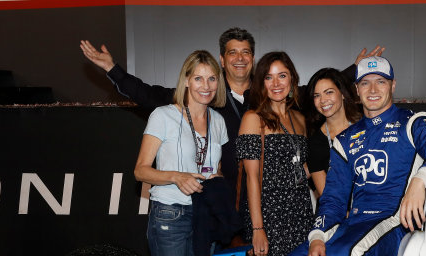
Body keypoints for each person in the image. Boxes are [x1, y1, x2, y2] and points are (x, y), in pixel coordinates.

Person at [261, 56, 426, 256]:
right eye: (365, 83)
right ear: (356, 90)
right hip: (352, 226)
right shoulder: (346, 140)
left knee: (344, 255)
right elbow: (333, 198)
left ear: (392, 86)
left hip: (394, 222)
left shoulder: (412, 122)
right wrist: (317, 236)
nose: (373, 89)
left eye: (380, 82)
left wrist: (419, 181)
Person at [80, 31, 384, 197]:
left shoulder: (272, 93)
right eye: (232, 53)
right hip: (224, 194)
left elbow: (318, 91)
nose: (240, 58)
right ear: (223, 60)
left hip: (271, 194)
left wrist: (356, 71)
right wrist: (113, 70)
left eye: (246, 52)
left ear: (252, 59)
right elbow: (149, 94)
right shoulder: (206, 93)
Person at [134, 50, 228, 256]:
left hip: (205, 216)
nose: (206, 85)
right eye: (198, 78)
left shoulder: (218, 121)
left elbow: (216, 169)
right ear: (186, 80)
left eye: (212, 78)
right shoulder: (163, 115)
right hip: (170, 215)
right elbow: (140, 171)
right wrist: (177, 176)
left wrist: (217, 179)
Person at [236, 51, 313, 256]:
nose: (276, 83)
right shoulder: (253, 119)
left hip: (301, 214)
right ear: (261, 83)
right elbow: (252, 178)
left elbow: (300, 169)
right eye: (269, 77)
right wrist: (258, 229)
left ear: (292, 79)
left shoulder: (299, 119)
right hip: (270, 218)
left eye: (282, 75)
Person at [304, 68, 362, 197]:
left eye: (329, 92)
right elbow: (327, 196)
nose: (323, 100)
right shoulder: (315, 143)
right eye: (317, 95)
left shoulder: (365, 127)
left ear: (342, 93)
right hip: (337, 212)